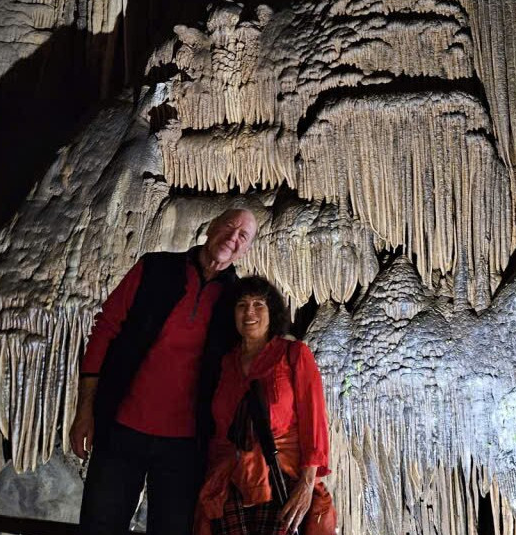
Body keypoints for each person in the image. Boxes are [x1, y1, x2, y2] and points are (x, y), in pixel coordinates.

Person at [70, 208, 258, 535]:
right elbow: (105, 330)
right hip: (121, 428)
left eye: (243, 236)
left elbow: (247, 365)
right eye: (229, 226)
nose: (232, 238)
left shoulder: (237, 301)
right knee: (99, 525)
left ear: (247, 249)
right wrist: (85, 409)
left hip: (185, 446)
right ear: (212, 225)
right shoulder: (154, 268)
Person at [195, 276, 336, 535]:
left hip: (281, 478)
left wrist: (307, 484)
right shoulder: (226, 365)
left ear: (272, 312)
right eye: (241, 305)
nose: (250, 312)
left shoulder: (293, 355)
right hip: (232, 482)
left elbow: (314, 421)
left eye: (258, 304)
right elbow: (219, 433)